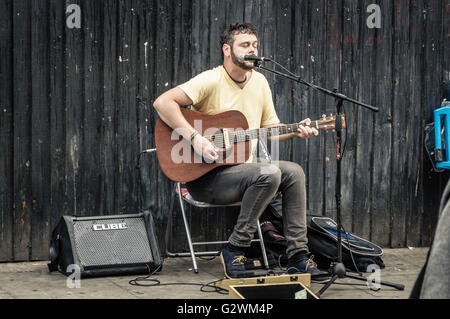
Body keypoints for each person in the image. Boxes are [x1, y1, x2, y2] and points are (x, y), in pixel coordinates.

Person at [153, 22, 325, 279]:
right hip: (206, 178)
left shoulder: (260, 82)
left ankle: (298, 256)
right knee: (269, 173)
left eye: (255, 45)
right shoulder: (211, 80)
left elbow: (271, 128)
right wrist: (196, 138)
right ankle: (235, 249)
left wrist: (297, 129)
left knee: (294, 172)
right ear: (227, 49)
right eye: (245, 45)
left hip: (243, 172)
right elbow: (162, 102)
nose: (252, 50)